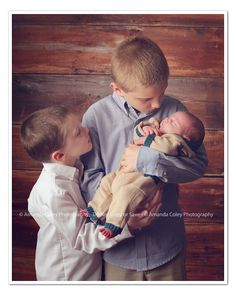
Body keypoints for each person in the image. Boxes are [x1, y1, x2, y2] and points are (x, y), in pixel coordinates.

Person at [80, 36, 208, 281]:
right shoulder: (96, 117)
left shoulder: (175, 111)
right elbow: (88, 176)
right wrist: (127, 210)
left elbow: (197, 165)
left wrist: (146, 160)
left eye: (163, 91)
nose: (158, 104)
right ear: (117, 89)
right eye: (147, 99)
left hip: (167, 246)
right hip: (118, 250)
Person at [20, 105, 143, 281]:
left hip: (88, 267)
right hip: (68, 276)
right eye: (78, 132)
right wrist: (128, 225)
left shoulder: (74, 167)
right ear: (59, 156)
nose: (87, 130)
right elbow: (81, 238)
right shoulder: (54, 192)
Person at [80, 111, 205, 239]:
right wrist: (145, 128)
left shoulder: (176, 142)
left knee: (126, 195)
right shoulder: (157, 127)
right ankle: (95, 210)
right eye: (169, 117)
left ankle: (113, 225)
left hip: (142, 181)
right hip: (122, 174)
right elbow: (137, 134)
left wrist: (148, 139)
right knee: (106, 182)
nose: (167, 119)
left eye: (173, 122)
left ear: (185, 137)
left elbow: (167, 148)